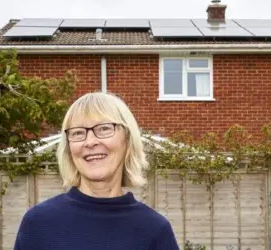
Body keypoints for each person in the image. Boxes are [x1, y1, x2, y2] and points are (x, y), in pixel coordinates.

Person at [14, 92, 179, 250]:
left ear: (127, 139)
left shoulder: (154, 230)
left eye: (104, 129)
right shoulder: (38, 223)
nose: (90, 142)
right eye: (78, 132)